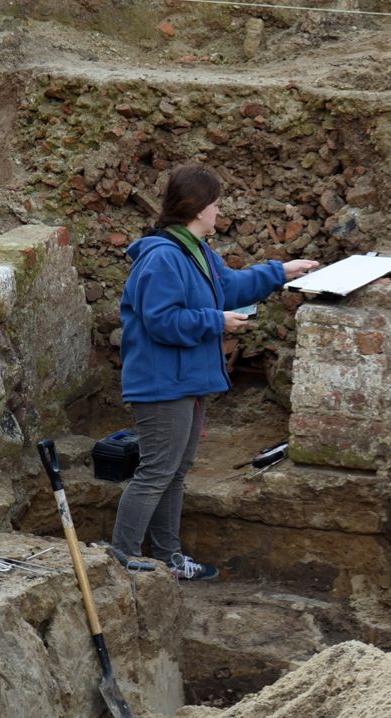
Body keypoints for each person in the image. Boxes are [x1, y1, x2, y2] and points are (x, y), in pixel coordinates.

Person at [111, 164, 318, 580]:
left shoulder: (196, 250)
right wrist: (217, 323)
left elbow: (230, 286)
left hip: (184, 379)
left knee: (174, 470)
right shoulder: (164, 257)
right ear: (200, 208)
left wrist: (281, 272)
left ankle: (169, 557)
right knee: (156, 472)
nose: (220, 212)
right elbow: (161, 321)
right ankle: (121, 559)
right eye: (217, 204)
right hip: (161, 382)